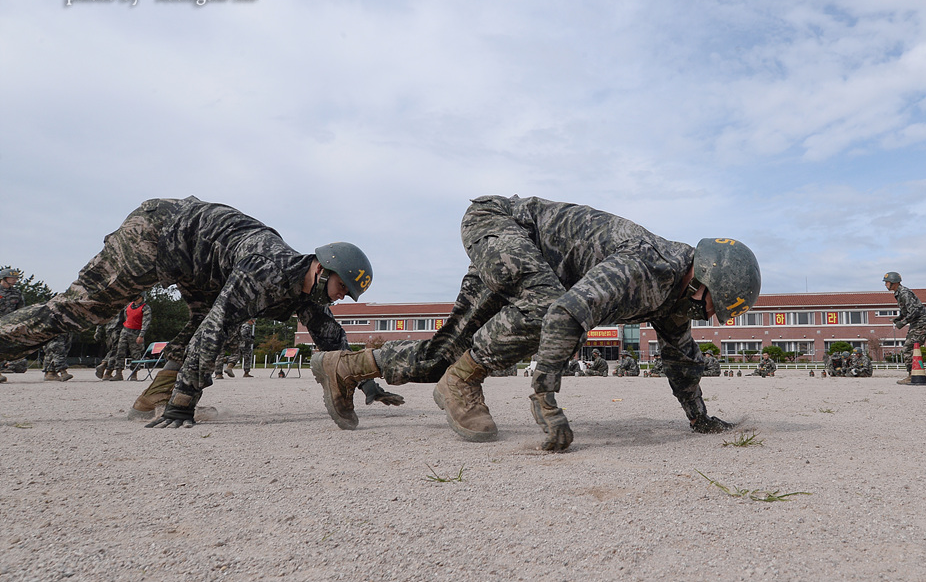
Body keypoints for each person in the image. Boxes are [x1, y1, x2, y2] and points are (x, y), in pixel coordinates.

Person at [311, 194, 760, 450]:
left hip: (528, 262)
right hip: (500, 226)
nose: (711, 317)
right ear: (702, 282)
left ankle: (343, 368)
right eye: (716, 306)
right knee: (549, 306)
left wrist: (700, 419)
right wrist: (546, 399)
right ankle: (462, 382)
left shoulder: (675, 298)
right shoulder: (648, 265)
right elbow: (567, 312)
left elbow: (682, 359)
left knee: (442, 355)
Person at [0, 196, 402, 428]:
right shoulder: (265, 270)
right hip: (156, 234)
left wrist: (367, 385)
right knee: (80, 310)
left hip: (195, 263)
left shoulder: (305, 293)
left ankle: (152, 399)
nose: (341, 299)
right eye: (341, 289)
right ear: (321, 268)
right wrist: (184, 405)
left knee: (198, 320)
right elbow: (216, 331)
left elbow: (331, 339)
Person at [883, 271, 926, 385]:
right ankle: (913, 374)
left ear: (894, 282)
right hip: (916, 323)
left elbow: (914, 311)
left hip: (921, 323)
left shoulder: (904, 293)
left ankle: (912, 375)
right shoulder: (899, 293)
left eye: (887, 282)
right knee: (910, 348)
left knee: (908, 348)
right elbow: (907, 310)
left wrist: (903, 322)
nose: (885, 285)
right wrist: (899, 317)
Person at [107, 294, 151, 381]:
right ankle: (118, 373)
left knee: (136, 354)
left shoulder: (145, 308)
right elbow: (124, 317)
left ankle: (134, 374)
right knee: (120, 352)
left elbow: (146, 323)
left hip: (136, 332)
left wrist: (141, 335)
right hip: (125, 330)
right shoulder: (128, 305)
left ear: (141, 296)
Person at [0, 268, 25, 384]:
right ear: (4, 278)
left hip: (10, 326)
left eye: (16, 278)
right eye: (12, 278)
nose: (15, 280)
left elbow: (21, 310)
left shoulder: (17, 293)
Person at [94, 313, 124, 379]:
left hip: (108, 329)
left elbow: (101, 318)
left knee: (112, 350)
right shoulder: (124, 305)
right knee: (117, 351)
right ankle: (107, 370)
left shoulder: (109, 305)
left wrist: (98, 331)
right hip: (118, 329)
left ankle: (105, 366)